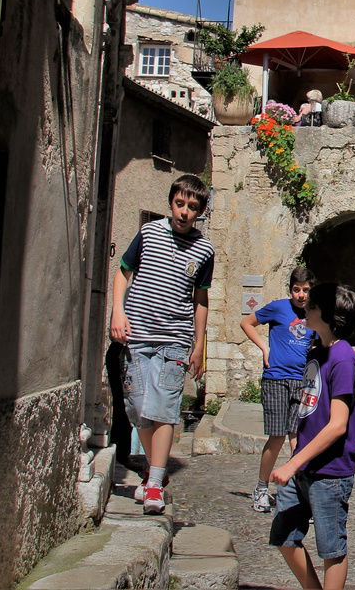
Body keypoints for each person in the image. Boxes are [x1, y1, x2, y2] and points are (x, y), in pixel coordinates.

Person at [110, 173, 214, 515]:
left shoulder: (204, 250)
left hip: (174, 340)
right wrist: (117, 314)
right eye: (180, 204)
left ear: (200, 211)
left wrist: (198, 345)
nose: (184, 212)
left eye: (192, 207)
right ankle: (155, 474)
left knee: (165, 410)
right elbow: (123, 272)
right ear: (171, 202)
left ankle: (154, 482)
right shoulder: (149, 233)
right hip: (136, 335)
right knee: (138, 408)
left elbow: (201, 299)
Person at [269, 283, 355, 590]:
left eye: (311, 307)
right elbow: (309, 402)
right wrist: (296, 438)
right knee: (284, 536)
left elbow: (338, 424)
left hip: (330, 472)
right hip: (304, 466)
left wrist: (291, 463)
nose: (305, 309)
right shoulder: (317, 352)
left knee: (331, 550)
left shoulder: (343, 358)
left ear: (327, 314)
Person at [241, 265, 314, 512]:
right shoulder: (278, 307)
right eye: (296, 290)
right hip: (275, 379)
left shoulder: (314, 315)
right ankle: (261, 489)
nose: (301, 295)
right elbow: (247, 323)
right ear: (290, 290)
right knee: (277, 436)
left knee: (298, 439)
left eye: (305, 290)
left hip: (300, 381)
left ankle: (298, 494)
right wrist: (264, 347)